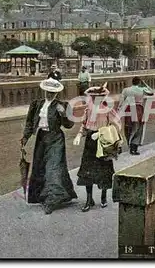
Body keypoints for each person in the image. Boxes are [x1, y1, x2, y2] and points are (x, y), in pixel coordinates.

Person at [20, 78, 78, 215]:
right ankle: (44, 196)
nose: (50, 94)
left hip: (56, 138)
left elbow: (69, 125)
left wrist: (63, 113)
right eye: (48, 92)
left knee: (53, 168)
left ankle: (52, 201)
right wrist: (25, 137)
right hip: (41, 138)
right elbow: (29, 122)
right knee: (39, 168)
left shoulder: (62, 105)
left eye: (52, 92)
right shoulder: (37, 104)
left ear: (57, 93)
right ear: (44, 91)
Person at [73, 84, 122, 212]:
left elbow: (117, 126)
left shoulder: (107, 109)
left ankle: (104, 197)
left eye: (99, 97)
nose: (96, 99)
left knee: (103, 171)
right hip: (90, 141)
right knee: (87, 171)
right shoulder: (88, 109)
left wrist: (100, 133)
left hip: (103, 142)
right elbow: (84, 125)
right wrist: (79, 135)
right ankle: (89, 199)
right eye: (93, 97)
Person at [119, 77, 154, 155]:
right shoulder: (142, 89)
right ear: (139, 82)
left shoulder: (126, 90)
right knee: (138, 128)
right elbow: (151, 92)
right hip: (138, 108)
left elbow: (121, 101)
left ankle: (129, 142)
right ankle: (134, 146)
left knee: (128, 127)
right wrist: (145, 84)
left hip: (128, 108)